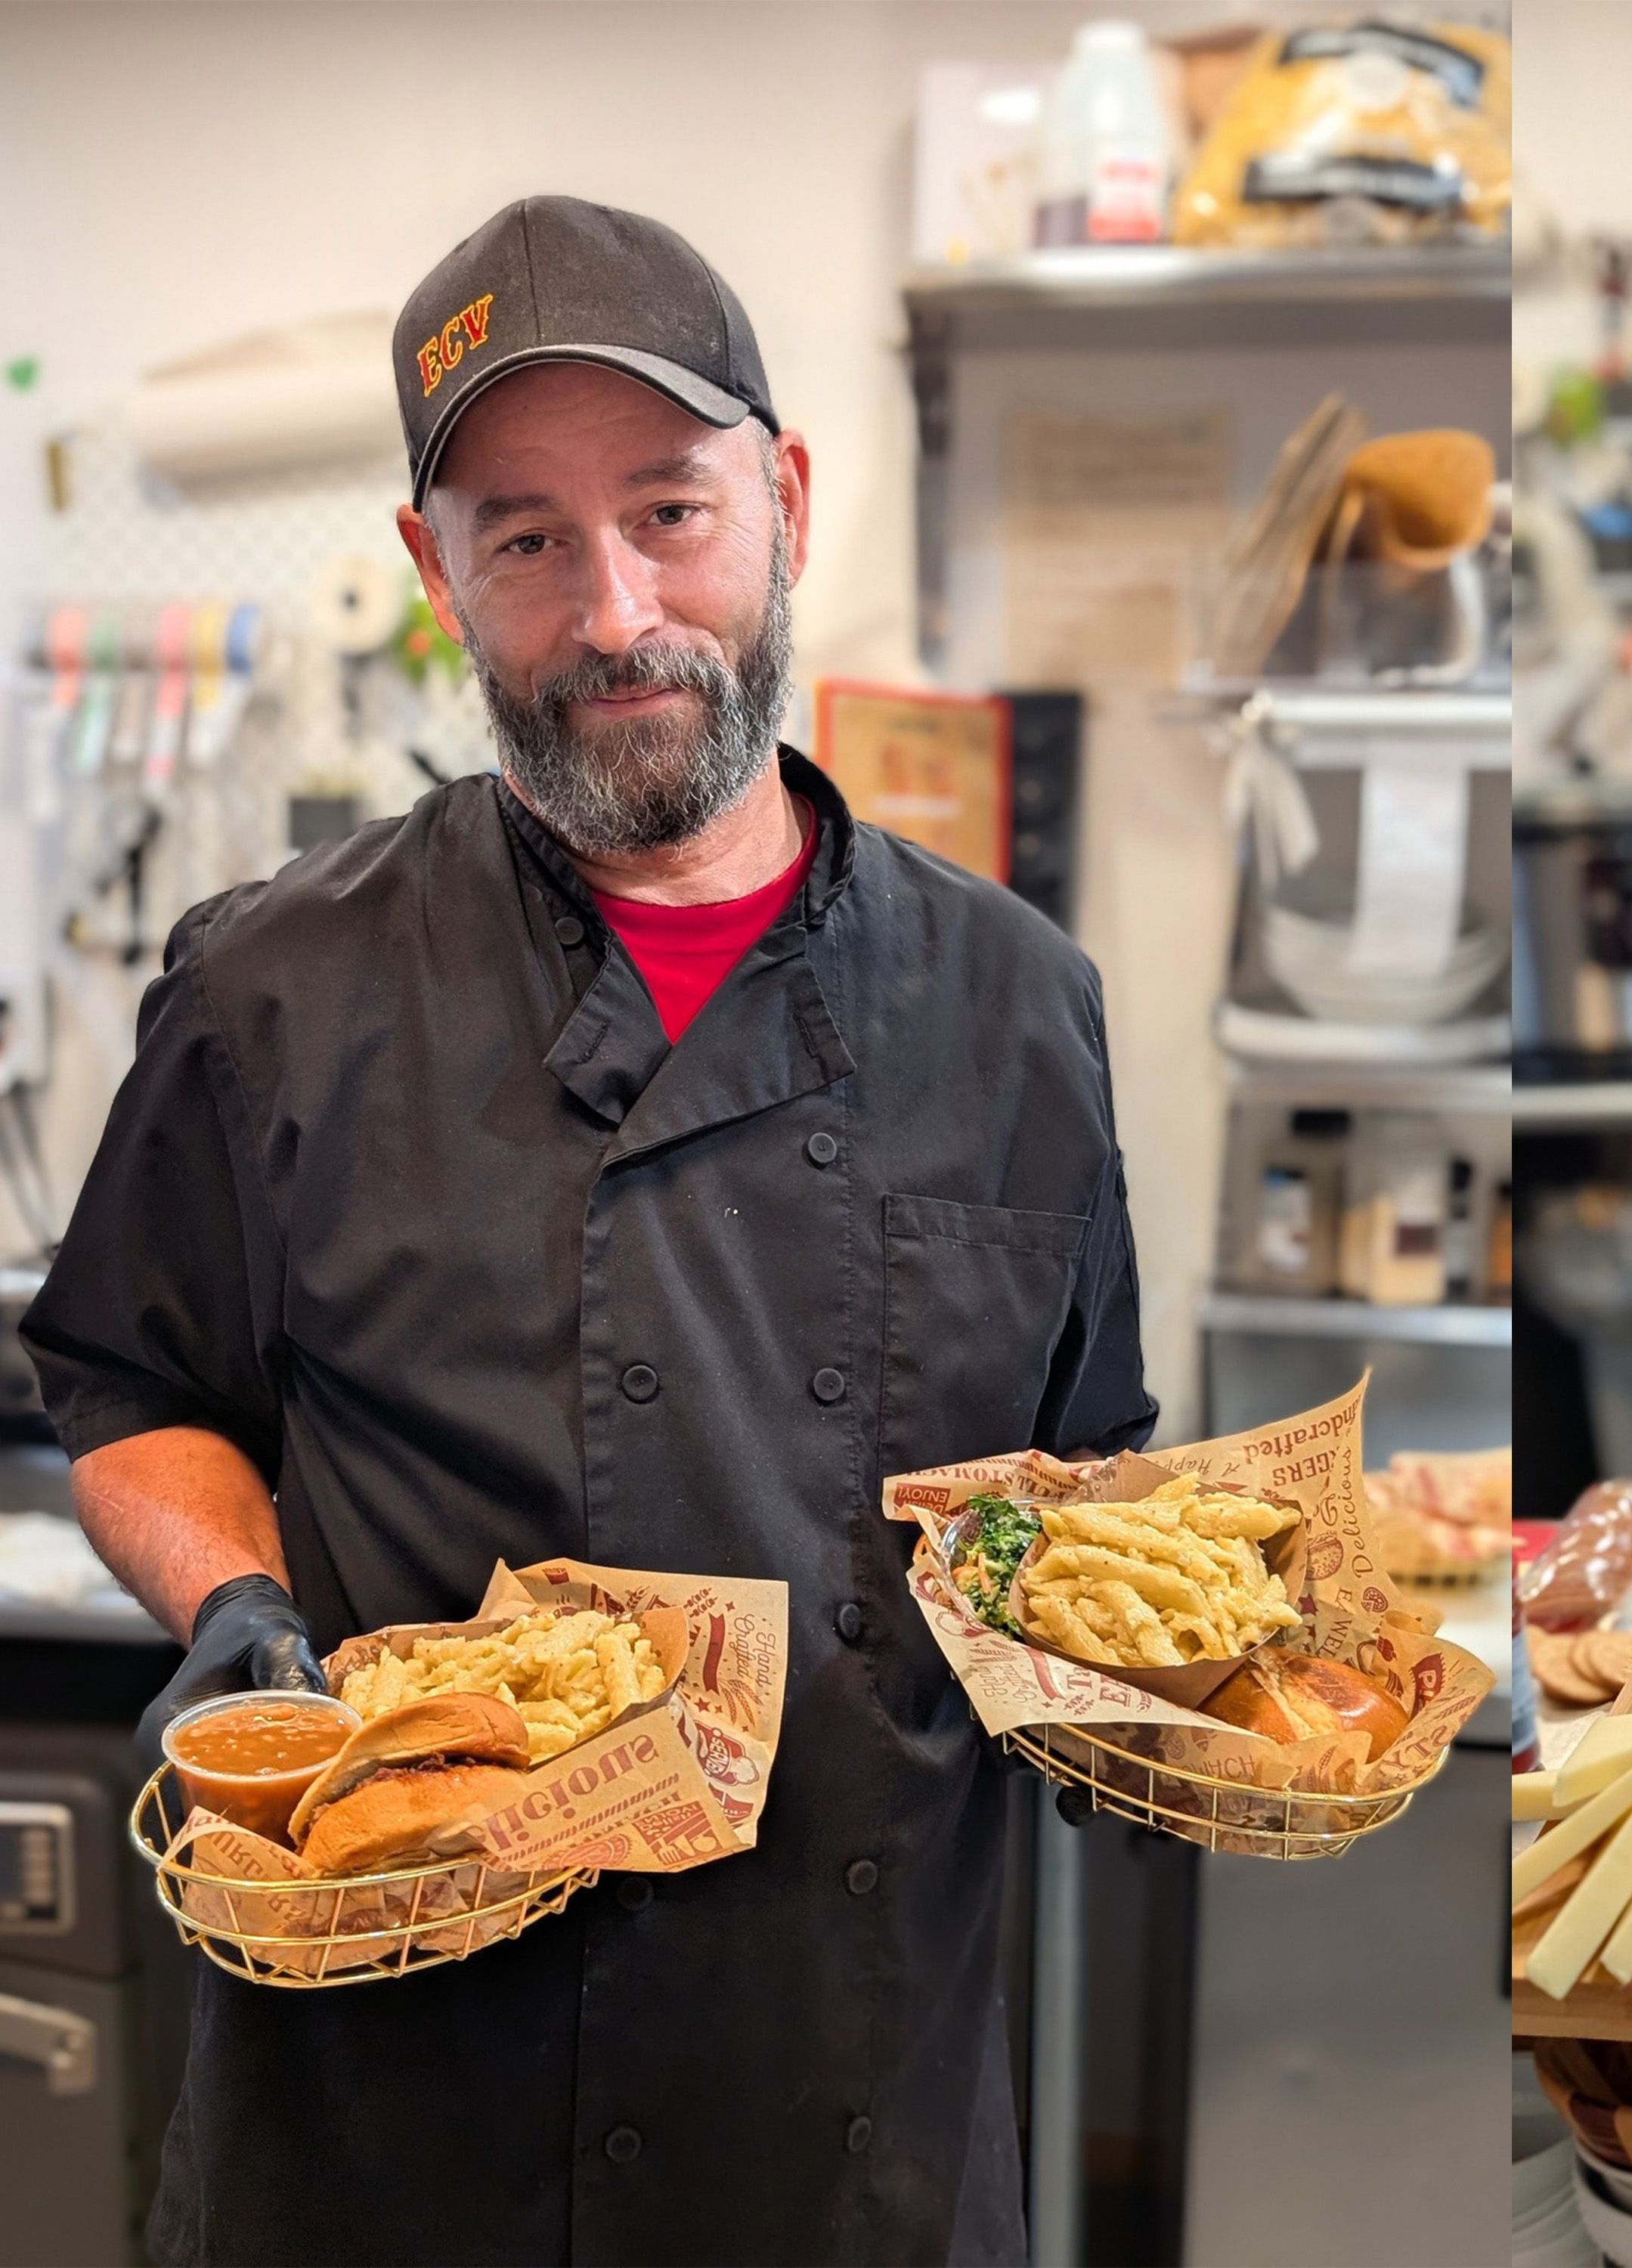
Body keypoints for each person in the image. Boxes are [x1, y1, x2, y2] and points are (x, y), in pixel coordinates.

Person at [20, 196, 1152, 2264]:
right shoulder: (271, 989)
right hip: (390, 2123)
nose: (616, 608)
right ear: (432, 568)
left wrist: (1158, 1695)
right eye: (525, 537)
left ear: (789, 500)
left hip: (851, 2131)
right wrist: (238, 1617)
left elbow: (1076, 1488)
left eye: (670, 509)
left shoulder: (1014, 1005)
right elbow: (126, 1387)